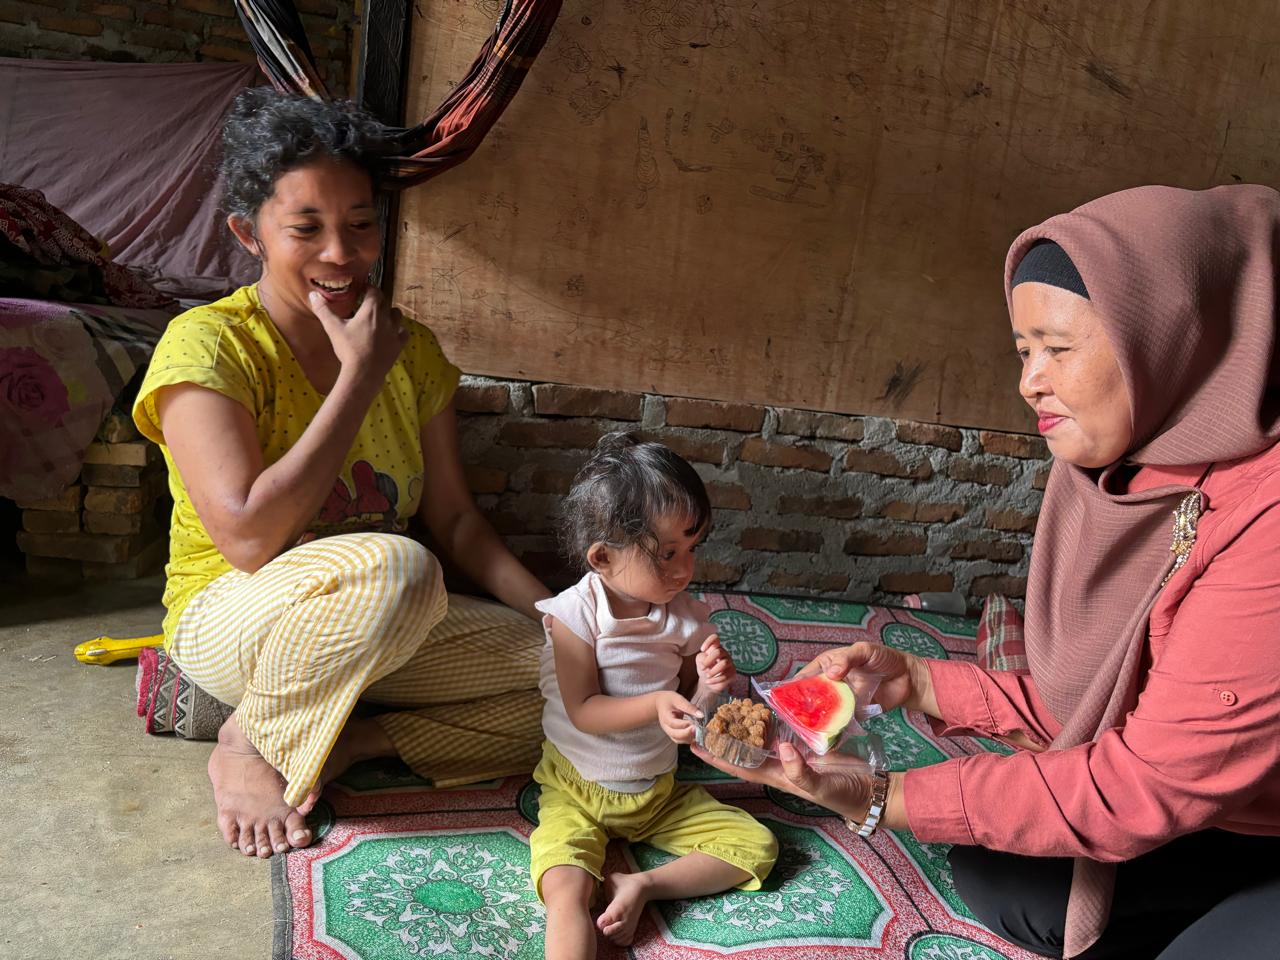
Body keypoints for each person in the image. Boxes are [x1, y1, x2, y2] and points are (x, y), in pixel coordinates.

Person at [694, 184, 1280, 960]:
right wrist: (916, 679)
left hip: (1218, 805)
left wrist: (880, 797)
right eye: (1023, 351)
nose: (1029, 382)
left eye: (1058, 348)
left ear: (1173, 337)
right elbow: (1099, 703)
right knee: (1004, 874)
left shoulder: (1267, 515)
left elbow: (1144, 783)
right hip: (1215, 800)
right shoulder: (1118, 473)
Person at [131, 88, 551, 860]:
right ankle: (248, 740)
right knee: (398, 565)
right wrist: (358, 375)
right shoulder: (210, 346)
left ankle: (351, 740)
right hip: (233, 614)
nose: (341, 253)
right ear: (247, 234)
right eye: (307, 228)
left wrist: (565, 618)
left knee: (576, 688)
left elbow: (457, 522)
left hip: (383, 620)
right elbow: (250, 538)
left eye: (361, 225)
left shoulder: (413, 351)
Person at [531, 433, 778, 957]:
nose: (685, 570)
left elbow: (690, 711)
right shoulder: (574, 617)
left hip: (658, 794)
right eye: (666, 554)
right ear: (602, 557)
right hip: (577, 788)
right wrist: (655, 704)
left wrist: (709, 686)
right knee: (566, 887)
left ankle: (642, 885)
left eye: (692, 549)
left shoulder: (686, 618)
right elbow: (583, 710)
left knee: (758, 846)